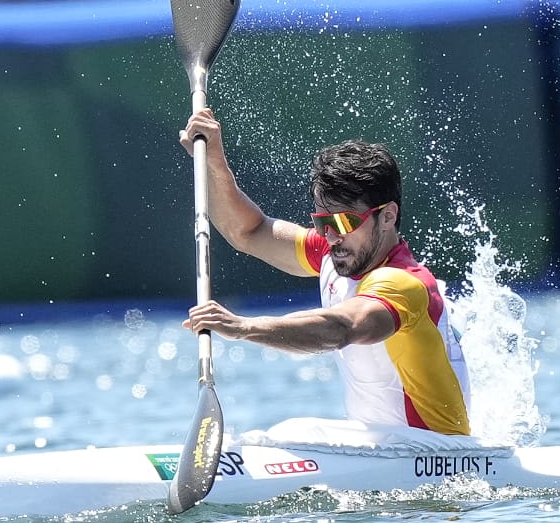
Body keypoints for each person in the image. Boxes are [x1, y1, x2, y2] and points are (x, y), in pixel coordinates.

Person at [178, 109, 471, 435]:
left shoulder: (404, 283)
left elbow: (343, 327)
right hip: (384, 452)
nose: (330, 236)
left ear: (387, 216)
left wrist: (244, 327)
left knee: (297, 432)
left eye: (344, 222)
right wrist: (213, 162)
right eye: (322, 222)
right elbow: (249, 232)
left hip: (435, 458)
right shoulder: (337, 250)